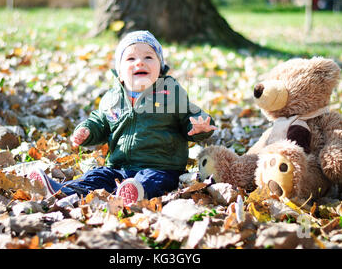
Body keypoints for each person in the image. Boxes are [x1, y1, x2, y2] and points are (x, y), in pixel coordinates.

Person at [29, 30, 217, 205]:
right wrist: (86, 131)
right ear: (119, 72)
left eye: (148, 57)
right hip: (119, 167)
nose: (140, 62)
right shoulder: (112, 98)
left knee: (155, 180)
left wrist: (199, 127)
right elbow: (99, 122)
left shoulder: (170, 93)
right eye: (131, 58)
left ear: (160, 68)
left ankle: (137, 192)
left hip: (161, 166)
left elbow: (190, 116)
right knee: (98, 176)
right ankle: (64, 190)